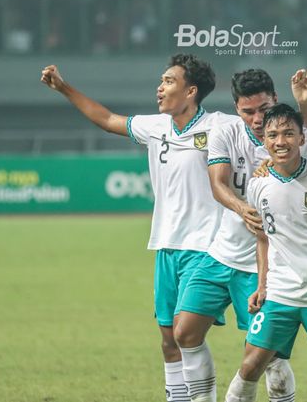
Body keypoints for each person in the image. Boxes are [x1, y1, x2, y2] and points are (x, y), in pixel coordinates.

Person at [40, 54, 236, 402]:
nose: (160, 88)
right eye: (161, 81)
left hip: (206, 247)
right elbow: (106, 119)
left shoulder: (221, 126)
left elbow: (264, 130)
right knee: (167, 336)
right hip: (166, 244)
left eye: (169, 81)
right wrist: (65, 88)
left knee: (184, 332)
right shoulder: (155, 126)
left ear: (191, 91)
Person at [175, 69, 307, 401]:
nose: (257, 119)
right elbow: (218, 184)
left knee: (270, 357)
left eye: (263, 108)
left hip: (273, 264)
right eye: (248, 111)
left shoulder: (299, 140)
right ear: (236, 108)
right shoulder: (226, 132)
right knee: (184, 331)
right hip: (225, 251)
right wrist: (244, 210)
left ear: (276, 100)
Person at [224, 104, 307, 402]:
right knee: (250, 365)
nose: (280, 141)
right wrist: (262, 284)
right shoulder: (258, 184)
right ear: (265, 140)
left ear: (301, 138)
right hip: (279, 294)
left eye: (288, 133)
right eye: (272, 135)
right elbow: (263, 238)